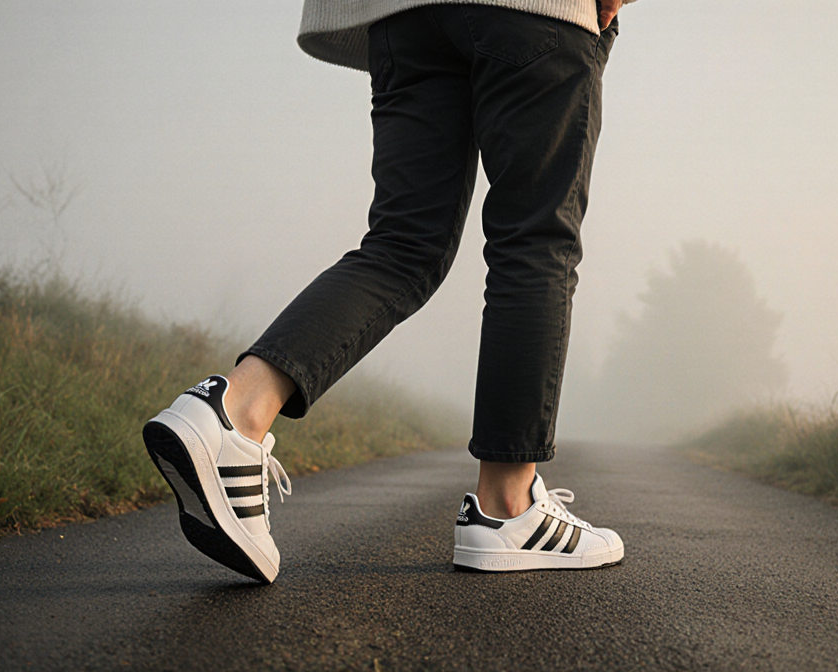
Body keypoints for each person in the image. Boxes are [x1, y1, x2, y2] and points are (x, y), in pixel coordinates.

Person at [143, 0, 631, 583]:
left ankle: (232, 413)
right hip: (535, 15)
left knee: (403, 242)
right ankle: (508, 507)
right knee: (534, 245)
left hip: (402, 15)